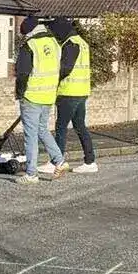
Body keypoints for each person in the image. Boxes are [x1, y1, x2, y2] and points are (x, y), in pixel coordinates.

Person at [13, 15, 64, 183]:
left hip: (31, 96)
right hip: (48, 95)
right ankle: (59, 161)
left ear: (28, 32)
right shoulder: (54, 44)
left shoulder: (30, 46)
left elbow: (22, 74)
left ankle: (31, 173)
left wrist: (19, 93)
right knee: (42, 130)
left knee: (31, 135)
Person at [50, 16, 98, 174]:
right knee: (79, 126)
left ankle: (56, 162)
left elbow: (65, 68)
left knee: (61, 127)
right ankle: (90, 161)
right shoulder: (82, 43)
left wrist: (51, 80)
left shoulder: (70, 44)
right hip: (82, 91)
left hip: (68, 92)